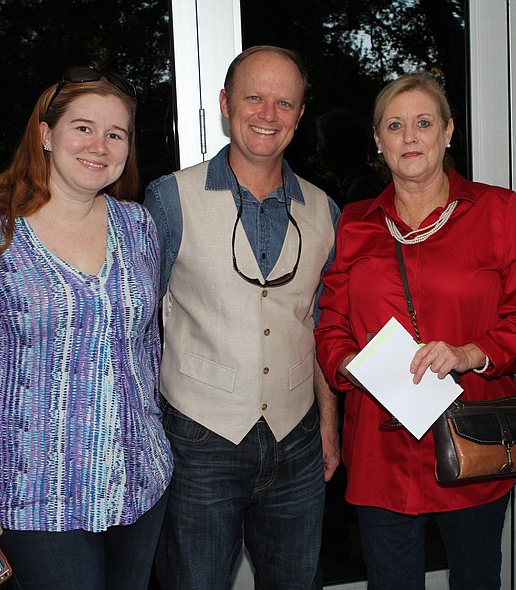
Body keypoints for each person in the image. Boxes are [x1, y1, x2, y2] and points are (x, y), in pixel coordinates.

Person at [0, 66, 173, 590]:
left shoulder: (138, 227)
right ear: (46, 134)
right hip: (36, 498)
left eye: (116, 134)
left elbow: (146, 346)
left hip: (139, 484)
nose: (100, 146)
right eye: (83, 128)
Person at [315, 72, 516, 589]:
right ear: (378, 140)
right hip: (380, 445)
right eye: (395, 126)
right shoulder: (355, 222)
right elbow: (330, 320)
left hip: (473, 434)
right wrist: (346, 363)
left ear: (448, 131)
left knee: (476, 579)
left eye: (424, 123)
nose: (410, 137)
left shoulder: (497, 210)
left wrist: (472, 352)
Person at [144, 45, 341, 589]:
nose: (267, 114)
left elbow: (322, 325)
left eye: (284, 103)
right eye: (254, 97)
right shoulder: (169, 199)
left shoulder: (326, 210)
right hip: (196, 438)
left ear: (300, 116)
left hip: (297, 440)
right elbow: (136, 327)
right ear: (227, 103)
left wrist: (328, 424)